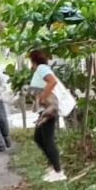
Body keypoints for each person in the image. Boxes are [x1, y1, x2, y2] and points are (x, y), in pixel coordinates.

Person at [29, 49, 66, 182]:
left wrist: (43, 97)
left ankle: (58, 171)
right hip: (44, 110)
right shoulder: (41, 69)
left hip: (49, 110)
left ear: (33, 60)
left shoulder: (41, 69)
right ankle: (53, 165)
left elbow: (52, 82)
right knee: (38, 138)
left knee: (47, 140)